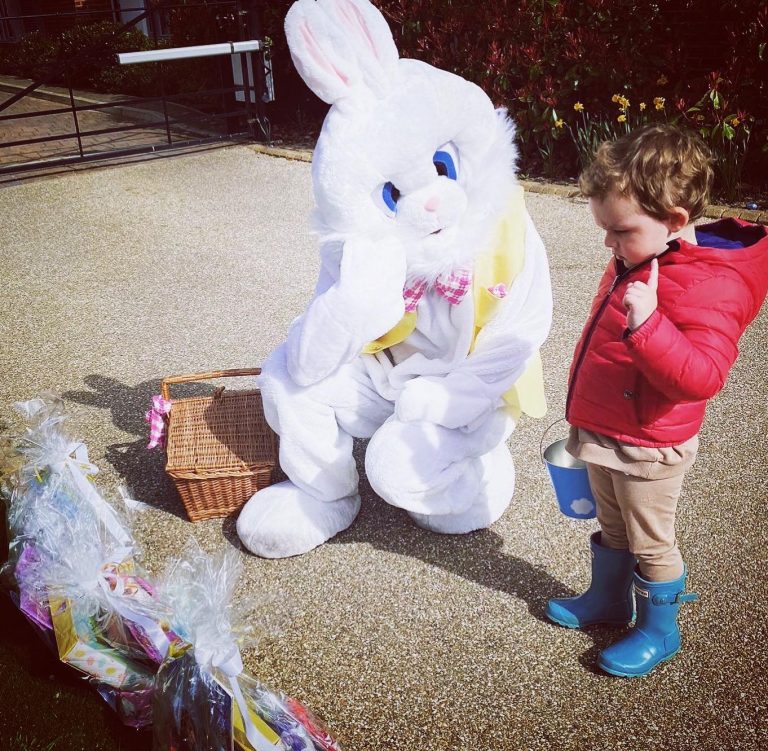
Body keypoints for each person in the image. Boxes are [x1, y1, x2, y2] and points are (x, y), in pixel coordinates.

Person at [546, 123, 768, 677]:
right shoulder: (640, 256)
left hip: (649, 443)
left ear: (673, 220)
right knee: (614, 526)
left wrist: (649, 326)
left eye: (619, 230)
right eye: (605, 229)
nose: (608, 243)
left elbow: (702, 377)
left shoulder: (714, 283)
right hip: (608, 426)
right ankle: (608, 600)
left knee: (651, 542)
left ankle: (659, 630)